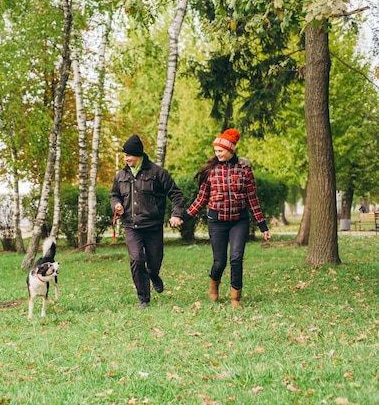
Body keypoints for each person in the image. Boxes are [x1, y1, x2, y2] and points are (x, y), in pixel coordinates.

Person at [182, 128, 271, 309]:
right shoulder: (212, 171)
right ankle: (214, 283)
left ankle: (235, 298)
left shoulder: (244, 170)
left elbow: (252, 198)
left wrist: (263, 225)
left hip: (239, 220)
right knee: (219, 261)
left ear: (230, 150)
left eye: (220, 151)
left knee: (236, 258)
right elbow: (201, 198)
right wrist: (185, 216)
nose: (217, 154)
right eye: (216, 151)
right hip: (217, 221)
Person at [110, 134, 185, 309]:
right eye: (125, 155)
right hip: (131, 226)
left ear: (140, 155)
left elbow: (176, 194)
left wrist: (176, 214)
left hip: (153, 226)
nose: (127, 158)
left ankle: (154, 274)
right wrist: (117, 205)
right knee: (136, 260)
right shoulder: (120, 175)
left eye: (130, 155)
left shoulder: (158, 173)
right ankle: (143, 298)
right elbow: (114, 195)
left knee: (154, 262)